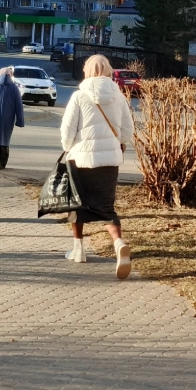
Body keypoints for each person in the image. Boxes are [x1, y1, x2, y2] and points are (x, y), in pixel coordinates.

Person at [60, 54, 135, 280]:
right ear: (109, 70)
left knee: (78, 205)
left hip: (80, 159)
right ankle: (119, 243)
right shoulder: (119, 96)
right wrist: (119, 143)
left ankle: (79, 249)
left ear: (87, 71)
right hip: (109, 161)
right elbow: (128, 130)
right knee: (106, 207)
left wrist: (68, 146)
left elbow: (67, 132)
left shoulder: (79, 96)